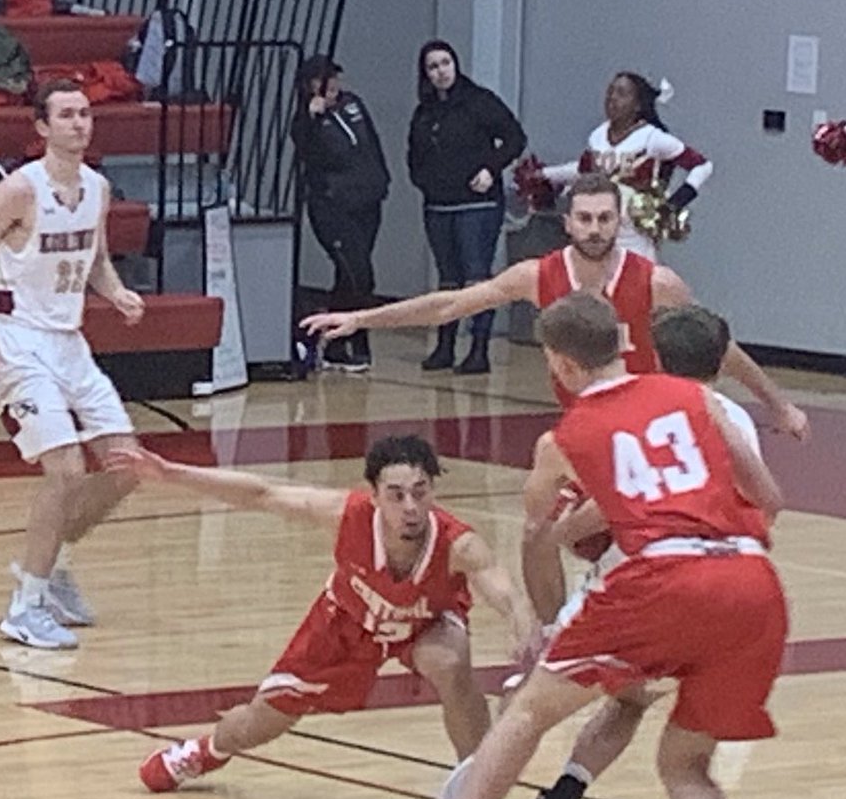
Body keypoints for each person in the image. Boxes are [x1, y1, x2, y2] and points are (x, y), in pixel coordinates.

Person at [366, 293, 788, 799]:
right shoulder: (695, 399)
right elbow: (768, 496)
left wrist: (577, 525)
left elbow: (542, 524)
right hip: (750, 581)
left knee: (532, 710)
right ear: (623, 342)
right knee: (684, 762)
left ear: (559, 364)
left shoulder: (563, 438)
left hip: (660, 577)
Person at [303, 171, 806, 623]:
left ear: (620, 221)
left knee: (616, 539)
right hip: (589, 439)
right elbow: (450, 305)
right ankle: (553, 634)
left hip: (644, 437)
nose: (595, 228)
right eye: (585, 218)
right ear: (567, 222)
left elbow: (717, 345)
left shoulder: (656, 282)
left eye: (605, 218)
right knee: (536, 531)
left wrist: (776, 403)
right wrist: (361, 318)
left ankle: (648, 622)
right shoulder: (538, 276)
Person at [113, 435, 538, 799]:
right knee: (257, 725)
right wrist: (172, 473)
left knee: (450, 662)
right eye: (396, 495)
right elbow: (262, 493)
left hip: (421, 623)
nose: (410, 507)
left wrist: (524, 629)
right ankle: (207, 750)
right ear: (374, 496)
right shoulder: (346, 515)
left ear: (433, 490)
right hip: (345, 625)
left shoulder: (458, 543)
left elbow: (506, 591)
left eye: (420, 492)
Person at [514, 304, 764, 799]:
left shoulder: (643, 407)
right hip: (709, 585)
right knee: (632, 708)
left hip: (639, 580)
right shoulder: (733, 420)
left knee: (543, 699)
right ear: (721, 361)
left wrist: (565, 531)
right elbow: (756, 500)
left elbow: (617, 502)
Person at [0, 78, 145, 650]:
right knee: (65, 470)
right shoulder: (20, 190)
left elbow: (96, 260)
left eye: (85, 114)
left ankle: (52, 566)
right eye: (66, 115)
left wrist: (117, 292)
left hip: (69, 343)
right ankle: (25, 605)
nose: (80, 123)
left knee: (128, 465)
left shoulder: (98, 188)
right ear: (42, 127)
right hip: (17, 342)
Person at [408, 39, 527, 375]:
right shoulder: (425, 112)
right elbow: (414, 154)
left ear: (455, 64)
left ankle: (478, 349)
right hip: (438, 205)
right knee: (448, 278)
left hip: (478, 204)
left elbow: (514, 137)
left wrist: (491, 168)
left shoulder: (480, 102)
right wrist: (424, 181)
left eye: (445, 63)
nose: (441, 71)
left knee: (476, 274)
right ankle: (445, 345)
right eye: (433, 66)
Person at [539, 72, 713, 261]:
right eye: (610, 92)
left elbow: (702, 166)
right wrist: (543, 174)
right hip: (597, 232)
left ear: (637, 105)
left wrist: (674, 203)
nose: (612, 98)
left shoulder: (651, 138)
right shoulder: (597, 136)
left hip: (633, 234)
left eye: (621, 94)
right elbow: (583, 171)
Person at [291, 54, 390, 372]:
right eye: (323, 81)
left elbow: (370, 144)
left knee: (349, 277)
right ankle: (359, 340)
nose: (332, 85)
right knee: (359, 273)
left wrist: (381, 180)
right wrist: (311, 118)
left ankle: (332, 341)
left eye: (334, 78)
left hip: (367, 202)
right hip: (333, 207)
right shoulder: (305, 121)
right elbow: (305, 150)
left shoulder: (353, 104)